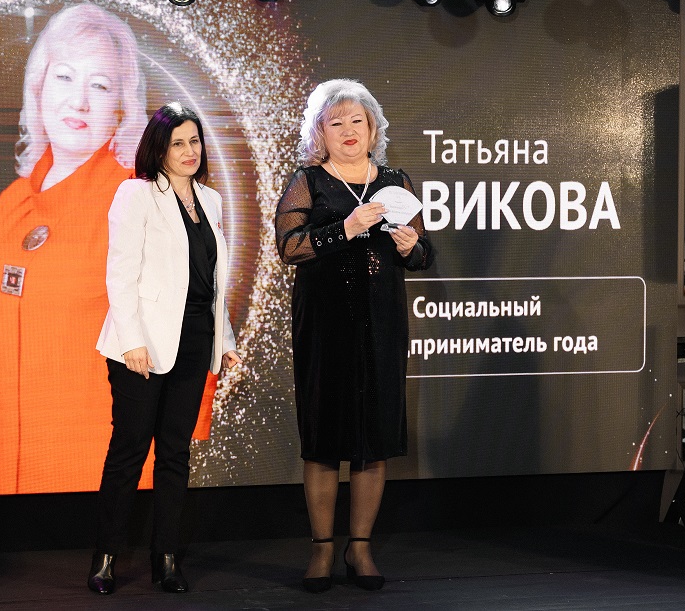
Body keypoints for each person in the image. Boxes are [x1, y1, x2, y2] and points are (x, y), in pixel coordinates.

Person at [0, 3, 151, 495]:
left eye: (100, 86)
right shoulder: (11, 202)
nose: (79, 102)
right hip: (10, 452)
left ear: (121, 106)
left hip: (99, 454)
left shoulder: (136, 199)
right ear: (39, 87)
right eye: (65, 77)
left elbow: (185, 320)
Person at [274, 79, 433, 593]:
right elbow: (289, 246)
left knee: (373, 440)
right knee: (324, 441)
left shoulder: (394, 181)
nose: (348, 130)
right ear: (319, 132)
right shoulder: (308, 181)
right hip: (324, 327)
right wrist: (345, 227)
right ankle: (322, 549)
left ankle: (360, 548)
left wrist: (410, 248)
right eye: (335, 122)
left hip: (382, 325)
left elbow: (425, 254)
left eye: (356, 121)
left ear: (372, 129)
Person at [88, 103, 241, 595]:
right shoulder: (136, 194)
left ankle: (167, 559)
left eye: (195, 141)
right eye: (178, 143)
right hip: (143, 346)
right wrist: (132, 340)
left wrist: (225, 340)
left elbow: (212, 285)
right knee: (129, 451)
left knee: (175, 453)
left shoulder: (211, 200)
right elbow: (120, 273)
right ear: (159, 149)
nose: (189, 151)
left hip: (195, 342)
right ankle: (106, 558)